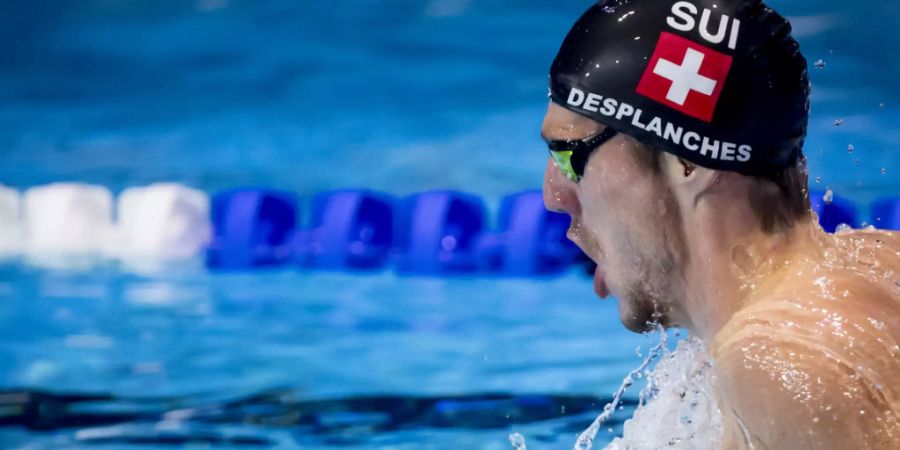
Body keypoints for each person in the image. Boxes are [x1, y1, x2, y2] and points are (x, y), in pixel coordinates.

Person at [540, 0, 900, 448]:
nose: (552, 196)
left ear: (687, 162)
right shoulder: (881, 260)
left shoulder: (780, 364)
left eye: (569, 155)